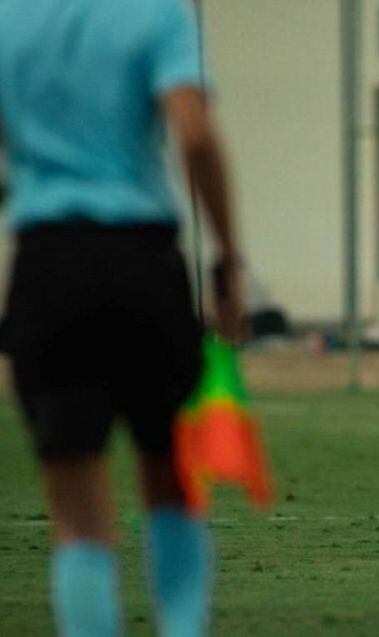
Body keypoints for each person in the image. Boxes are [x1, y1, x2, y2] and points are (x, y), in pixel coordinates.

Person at [0, 0, 243, 635]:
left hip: (47, 265)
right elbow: (193, 134)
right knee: (171, 479)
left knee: (77, 514)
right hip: (141, 263)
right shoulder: (158, 12)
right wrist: (228, 260)